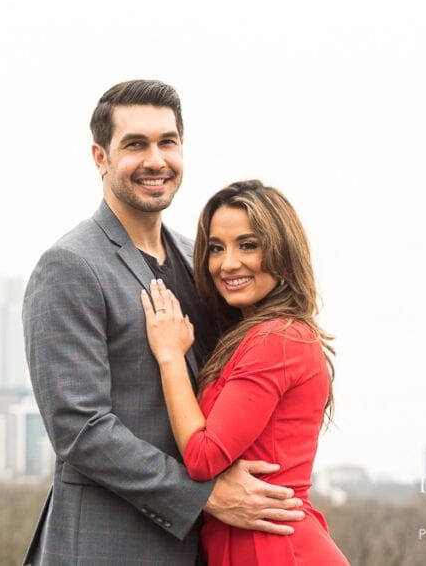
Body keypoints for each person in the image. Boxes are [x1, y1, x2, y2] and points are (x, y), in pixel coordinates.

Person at [23, 81, 306, 565]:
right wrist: (205, 496)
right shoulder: (70, 265)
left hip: (210, 548)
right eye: (135, 144)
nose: (156, 160)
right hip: (107, 547)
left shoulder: (204, 259)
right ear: (100, 157)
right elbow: (80, 429)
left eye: (167, 142)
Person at [141, 180, 349, 565]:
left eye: (248, 245)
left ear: (283, 252)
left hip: (274, 551)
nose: (227, 263)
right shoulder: (257, 335)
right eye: (216, 248)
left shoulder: (277, 340)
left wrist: (170, 357)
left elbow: (203, 458)